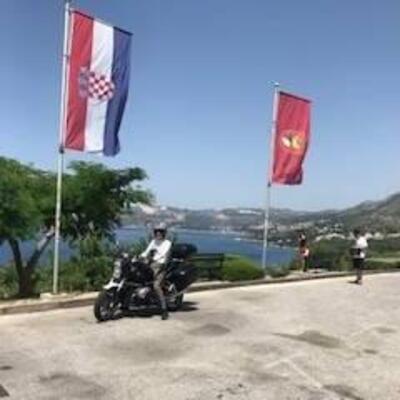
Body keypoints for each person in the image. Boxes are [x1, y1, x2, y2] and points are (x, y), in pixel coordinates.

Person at [140, 223, 172, 320]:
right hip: (151, 264)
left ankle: (164, 310)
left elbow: (162, 254)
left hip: (161, 266)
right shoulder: (153, 242)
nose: (158, 233)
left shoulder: (167, 243)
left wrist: (153, 259)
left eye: (160, 231)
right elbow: (147, 251)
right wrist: (141, 256)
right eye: (156, 231)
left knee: (156, 286)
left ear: (164, 233)